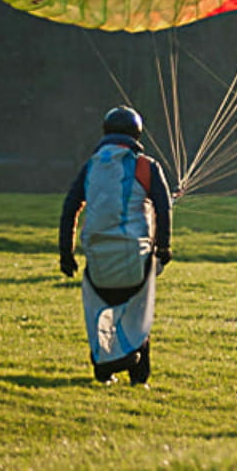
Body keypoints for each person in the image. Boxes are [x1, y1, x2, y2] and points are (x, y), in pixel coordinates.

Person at [59, 106, 182, 385]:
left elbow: (70, 209)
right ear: (136, 133)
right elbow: (163, 210)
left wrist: (66, 255)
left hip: (97, 258)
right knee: (137, 314)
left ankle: (104, 369)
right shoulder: (146, 166)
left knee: (102, 308)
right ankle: (138, 377)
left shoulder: (90, 166)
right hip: (135, 257)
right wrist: (163, 249)